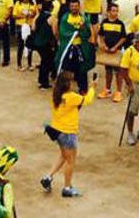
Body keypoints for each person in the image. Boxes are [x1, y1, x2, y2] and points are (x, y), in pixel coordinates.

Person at [42, 70, 94, 198]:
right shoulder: (71, 97)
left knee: (64, 156)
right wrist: (93, 88)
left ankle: (48, 176)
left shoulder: (56, 95)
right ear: (67, 84)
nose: (74, 83)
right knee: (70, 161)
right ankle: (67, 187)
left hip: (58, 131)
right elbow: (87, 100)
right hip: (68, 132)